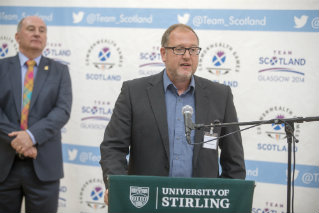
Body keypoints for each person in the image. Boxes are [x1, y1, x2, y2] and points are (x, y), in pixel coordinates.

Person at [99, 24, 245, 205]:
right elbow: (112, 148)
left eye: (193, 50)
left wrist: (228, 199)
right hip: (148, 202)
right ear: (163, 54)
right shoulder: (134, 92)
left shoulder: (220, 95)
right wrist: (117, 186)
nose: (187, 56)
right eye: (179, 49)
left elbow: (234, 161)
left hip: (201, 204)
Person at [0, 16, 72, 213]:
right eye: (31, 29)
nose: (37, 33)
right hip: (4, 165)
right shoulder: (2, 68)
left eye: (42, 30)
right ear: (17, 36)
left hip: (44, 165)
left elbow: (62, 110)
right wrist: (18, 140)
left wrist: (30, 137)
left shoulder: (60, 71)